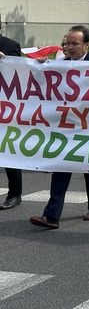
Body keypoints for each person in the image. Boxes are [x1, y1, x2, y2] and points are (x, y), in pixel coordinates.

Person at [29, 25, 89, 229]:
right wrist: (42, 66)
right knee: (61, 167)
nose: (69, 47)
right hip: (66, 127)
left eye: (74, 43)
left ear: (87, 44)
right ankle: (51, 216)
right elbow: (41, 84)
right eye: (68, 43)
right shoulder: (59, 64)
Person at [0, 19, 22, 210]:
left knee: (8, 152)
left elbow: (20, 74)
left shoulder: (10, 46)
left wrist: (3, 59)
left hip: (5, 108)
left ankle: (14, 194)